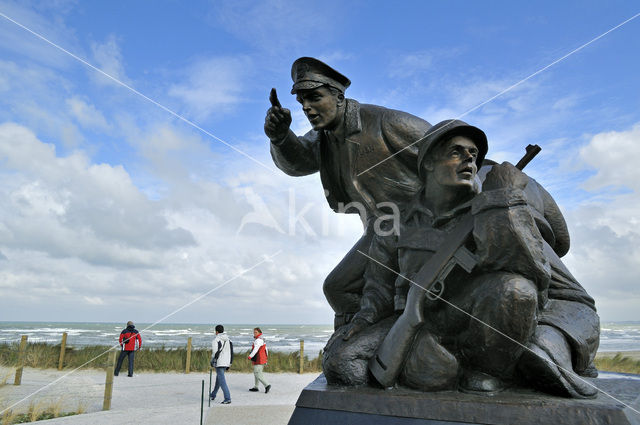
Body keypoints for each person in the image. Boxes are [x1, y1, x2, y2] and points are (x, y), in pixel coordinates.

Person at [323, 120, 598, 399]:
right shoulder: (394, 220)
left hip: (476, 322)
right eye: (456, 151)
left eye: (474, 154)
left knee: (515, 290)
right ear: (428, 163)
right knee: (341, 365)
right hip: (418, 317)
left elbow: (535, 277)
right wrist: (365, 318)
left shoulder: (494, 206)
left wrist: (503, 200)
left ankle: (486, 373)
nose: (469, 158)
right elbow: (379, 285)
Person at [265, 57, 432, 329]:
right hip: (379, 234)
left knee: (345, 289)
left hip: (417, 229)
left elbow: (447, 150)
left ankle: (385, 337)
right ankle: (366, 341)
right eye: (302, 102)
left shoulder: (385, 122)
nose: (307, 107)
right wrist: (281, 137)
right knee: (337, 288)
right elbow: (297, 163)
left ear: (339, 96)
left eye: (315, 98)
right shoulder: (324, 137)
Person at [210, 325, 233, 404]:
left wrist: (212, 361)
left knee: (222, 381)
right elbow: (231, 352)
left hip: (219, 362)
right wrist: (230, 363)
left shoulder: (216, 340)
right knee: (219, 380)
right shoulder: (229, 340)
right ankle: (213, 394)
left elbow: (214, 353)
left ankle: (227, 398)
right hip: (226, 362)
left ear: (216, 332)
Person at [248, 327, 270, 393]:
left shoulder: (258, 340)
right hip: (261, 359)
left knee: (257, 373)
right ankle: (256, 387)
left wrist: (250, 356)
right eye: (254, 332)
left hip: (259, 359)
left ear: (259, 333)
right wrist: (266, 358)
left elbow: (255, 349)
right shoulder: (261, 339)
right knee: (257, 373)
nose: (254, 333)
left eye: (256, 332)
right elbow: (266, 350)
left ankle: (267, 385)